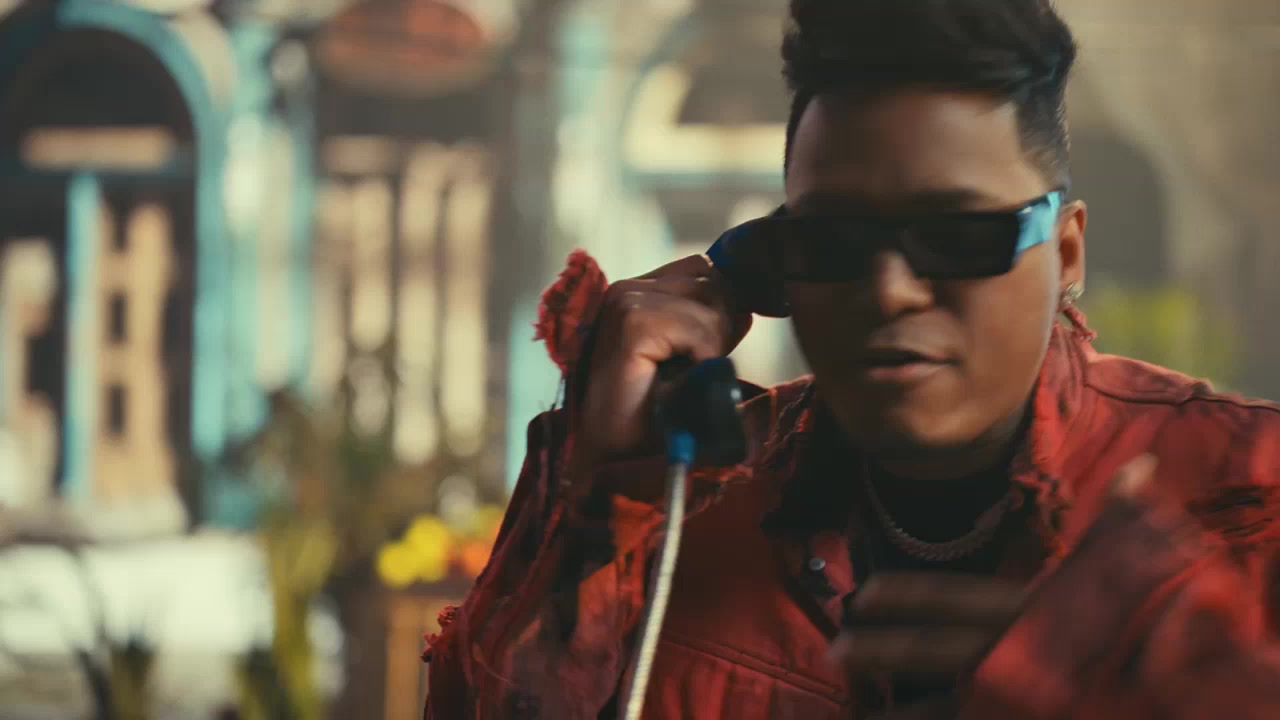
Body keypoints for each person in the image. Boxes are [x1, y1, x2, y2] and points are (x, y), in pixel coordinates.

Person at [423, 1, 1280, 718]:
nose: (889, 290)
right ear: (770, 267)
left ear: (1065, 254)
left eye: (958, 234)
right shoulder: (678, 500)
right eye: (832, 240)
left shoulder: (1248, 492)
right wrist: (600, 497)